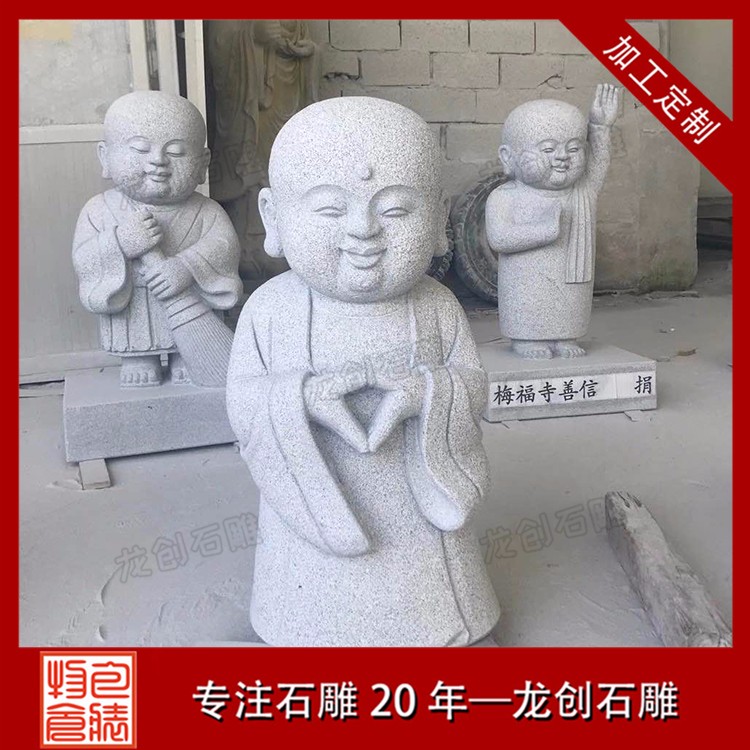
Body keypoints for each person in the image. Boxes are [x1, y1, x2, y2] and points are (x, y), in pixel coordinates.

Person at [226, 97, 500, 646]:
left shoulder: (436, 305)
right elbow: (243, 398)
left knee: (432, 589)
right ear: (273, 218)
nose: (363, 230)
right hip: (315, 513)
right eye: (330, 209)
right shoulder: (271, 309)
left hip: (416, 502)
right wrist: (300, 400)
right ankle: (304, 622)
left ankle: (438, 625)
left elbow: (471, 386)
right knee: (308, 600)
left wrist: (427, 394)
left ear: (438, 220)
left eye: (395, 211)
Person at [73, 91, 243, 386]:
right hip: (134, 307)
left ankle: (186, 357)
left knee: (188, 347)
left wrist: (186, 267)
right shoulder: (99, 210)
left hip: (190, 300)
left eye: (176, 152)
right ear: (105, 156)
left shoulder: (206, 211)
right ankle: (140, 359)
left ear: (203, 163)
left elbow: (224, 247)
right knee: (137, 341)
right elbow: (84, 259)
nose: (158, 161)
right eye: (140, 148)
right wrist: (120, 243)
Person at [486, 84, 620, 358]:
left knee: (570, 303)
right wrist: (544, 231)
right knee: (530, 302)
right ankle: (526, 339)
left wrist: (599, 128)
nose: (562, 157)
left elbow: (599, 165)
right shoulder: (504, 197)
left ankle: (565, 337)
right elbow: (499, 238)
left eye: (573, 148)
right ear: (508, 157)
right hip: (526, 280)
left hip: (571, 277)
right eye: (548, 149)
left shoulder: (582, 192)